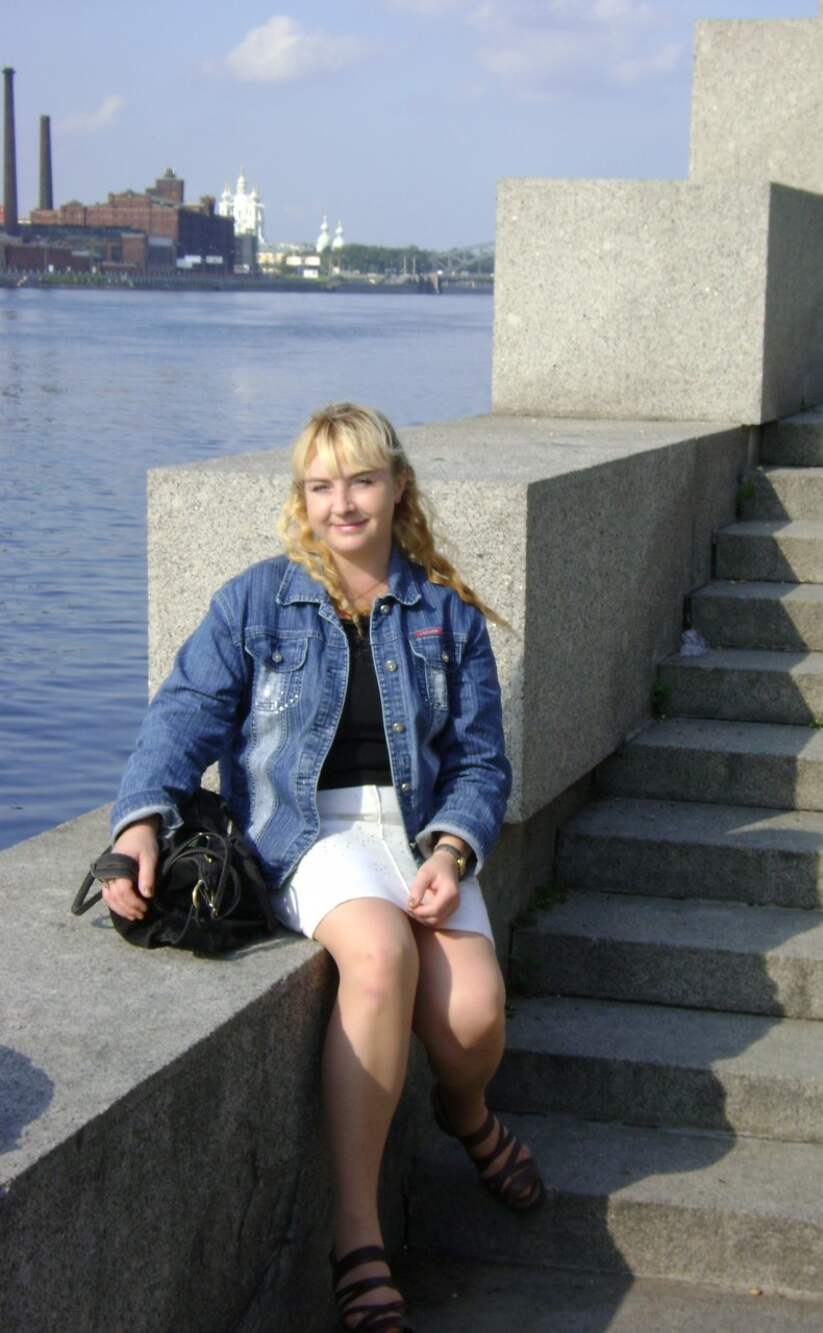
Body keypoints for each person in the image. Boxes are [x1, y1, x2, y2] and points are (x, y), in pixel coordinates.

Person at [101, 402, 544, 1332]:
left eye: (362, 480)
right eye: (322, 485)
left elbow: (481, 763)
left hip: (420, 833)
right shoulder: (257, 601)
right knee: (380, 954)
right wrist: (140, 822)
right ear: (302, 498)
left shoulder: (445, 613)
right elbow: (183, 714)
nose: (343, 502)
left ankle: (467, 1113)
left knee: (471, 1016)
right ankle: (356, 1234)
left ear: (397, 486)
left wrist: (453, 848)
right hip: (309, 834)